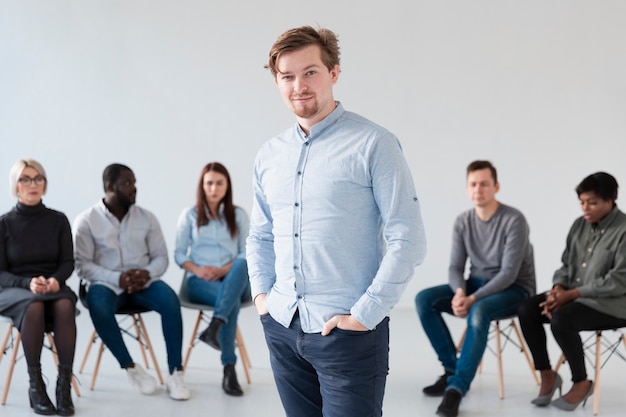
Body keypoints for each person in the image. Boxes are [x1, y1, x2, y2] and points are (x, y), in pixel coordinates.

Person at [246, 25, 427, 417]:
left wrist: (364, 315)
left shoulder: (374, 144)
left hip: (347, 335)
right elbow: (260, 235)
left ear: (334, 72)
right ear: (276, 81)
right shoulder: (269, 155)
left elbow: (408, 238)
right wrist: (263, 299)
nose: (299, 85)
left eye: (310, 72)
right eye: (287, 76)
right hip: (281, 325)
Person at [415, 160, 536, 417]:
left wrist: (472, 299)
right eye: (473, 184)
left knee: (479, 310)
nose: (478, 189)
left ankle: (456, 390)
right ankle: (451, 371)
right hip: (475, 286)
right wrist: (460, 292)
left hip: (515, 289)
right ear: (467, 188)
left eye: (484, 184)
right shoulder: (463, 221)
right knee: (424, 299)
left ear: (496, 186)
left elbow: (508, 274)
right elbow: (455, 268)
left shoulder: (514, 220)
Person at [73, 163, 190, 401]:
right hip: (106, 283)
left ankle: (175, 372)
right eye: (128, 183)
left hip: (143, 283)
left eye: (134, 182)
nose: (134, 188)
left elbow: (161, 257)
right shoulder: (86, 220)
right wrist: (117, 277)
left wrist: (146, 273)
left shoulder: (147, 218)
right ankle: (131, 368)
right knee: (98, 305)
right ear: (109, 187)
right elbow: (82, 264)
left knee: (170, 301)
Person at [518, 172, 626, 411]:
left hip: (614, 304)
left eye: (593, 202)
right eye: (582, 202)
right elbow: (566, 265)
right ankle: (547, 374)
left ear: (611, 199)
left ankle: (581, 381)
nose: (585, 208)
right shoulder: (579, 226)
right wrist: (558, 290)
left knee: (562, 319)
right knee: (527, 309)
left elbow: (619, 281)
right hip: (574, 297)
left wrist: (572, 295)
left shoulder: (624, 230)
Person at [0, 159, 77, 416]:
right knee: (33, 306)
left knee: (65, 304)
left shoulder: (58, 220)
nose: (33, 184)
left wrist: (55, 280)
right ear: (15, 185)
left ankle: (63, 385)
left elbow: (67, 262)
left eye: (38, 178)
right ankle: (36, 386)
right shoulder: (4, 224)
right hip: (14, 288)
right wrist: (27, 283)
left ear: (44, 184)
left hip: (51, 285)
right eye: (25, 179)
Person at [174, 162, 251, 396]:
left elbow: (248, 250)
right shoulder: (189, 215)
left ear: (227, 186)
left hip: (234, 277)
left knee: (242, 263)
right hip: (200, 281)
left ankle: (215, 326)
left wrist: (225, 269)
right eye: (209, 183)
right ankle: (229, 368)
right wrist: (197, 270)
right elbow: (179, 253)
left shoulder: (237, 215)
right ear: (202, 185)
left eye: (219, 183)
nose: (214, 188)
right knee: (230, 301)